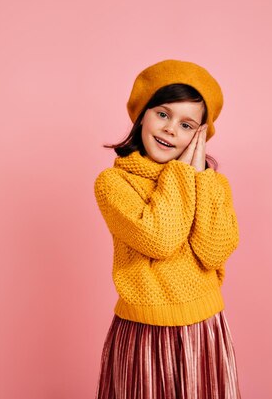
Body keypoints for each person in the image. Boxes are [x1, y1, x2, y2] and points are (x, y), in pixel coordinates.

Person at [93, 59, 241, 399]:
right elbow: (159, 239)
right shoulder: (114, 183)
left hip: (206, 330)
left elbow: (214, 251)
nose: (171, 129)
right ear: (142, 114)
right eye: (162, 114)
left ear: (200, 136)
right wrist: (182, 173)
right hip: (144, 332)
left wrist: (200, 177)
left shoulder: (212, 185)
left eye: (187, 124)